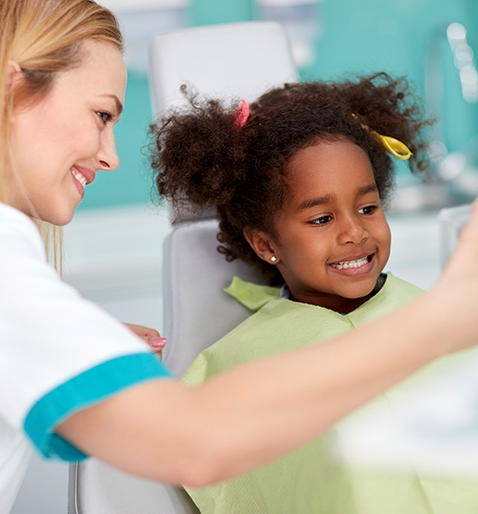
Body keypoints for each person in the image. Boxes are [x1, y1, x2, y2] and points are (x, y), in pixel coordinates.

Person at [0, 1, 478, 513]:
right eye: (102, 114)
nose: (109, 155)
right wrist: (442, 319)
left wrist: (34, 333)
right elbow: (195, 442)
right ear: (14, 85)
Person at [150, 74, 478, 513]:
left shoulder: (440, 316)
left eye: (367, 207)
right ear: (265, 244)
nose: (354, 232)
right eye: (321, 219)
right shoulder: (235, 367)